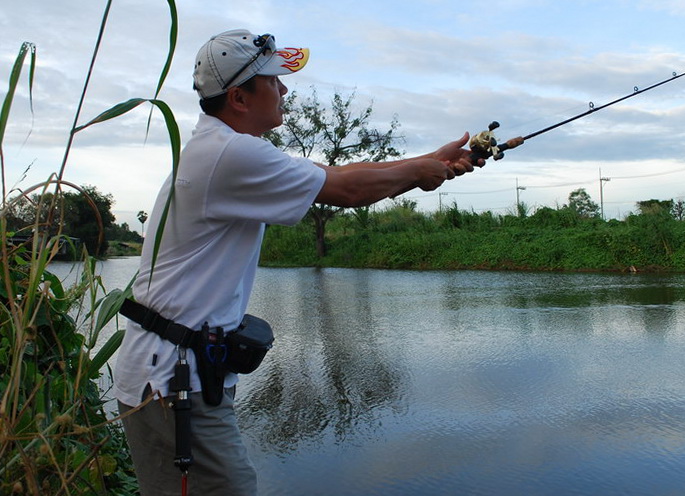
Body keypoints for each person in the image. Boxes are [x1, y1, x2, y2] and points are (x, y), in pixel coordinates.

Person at [114, 29, 481, 496]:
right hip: (173, 381)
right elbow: (349, 191)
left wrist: (429, 162)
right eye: (274, 80)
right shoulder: (232, 154)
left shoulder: (223, 148)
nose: (284, 90)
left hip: (172, 375)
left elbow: (337, 176)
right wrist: (420, 173)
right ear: (240, 97)